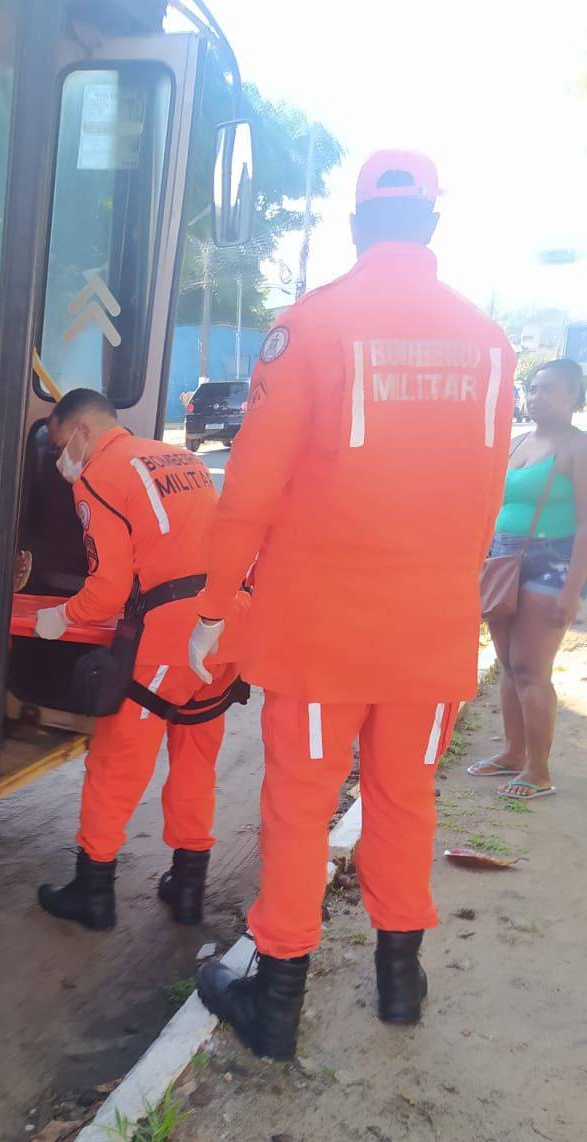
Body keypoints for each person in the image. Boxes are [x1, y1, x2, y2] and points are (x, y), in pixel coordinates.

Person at [187, 150, 515, 1059]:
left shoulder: (313, 326)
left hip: (323, 638)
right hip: (431, 637)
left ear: (358, 225)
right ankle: (400, 987)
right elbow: (487, 493)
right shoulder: (489, 342)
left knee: (300, 804)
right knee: (405, 800)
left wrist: (214, 606)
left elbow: (248, 491)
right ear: (434, 227)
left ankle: (276, 999)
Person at [33, 389, 248, 931]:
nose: (62, 459)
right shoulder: (183, 457)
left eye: (60, 444)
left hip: (171, 636)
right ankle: (188, 887)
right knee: (196, 757)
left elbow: (106, 591)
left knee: (117, 762)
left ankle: (94, 890)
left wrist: (61, 617)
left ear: (81, 430)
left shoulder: (98, 475)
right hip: (227, 625)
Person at [470, 359, 587, 798]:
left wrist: (572, 589)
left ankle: (539, 770)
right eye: (533, 389)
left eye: (550, 389)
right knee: (507, 665)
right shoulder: (517, 444)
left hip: (551, 564)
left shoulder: (579, 448)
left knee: (531, 668)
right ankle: (512, 753)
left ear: (575, 396)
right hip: (504, 559)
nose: (536, 397)